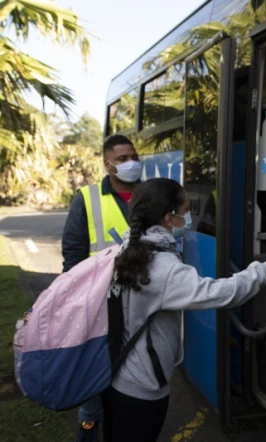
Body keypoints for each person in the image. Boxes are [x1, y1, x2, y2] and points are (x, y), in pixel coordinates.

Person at [103, 178, 266, 442]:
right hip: (142, 388)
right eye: (186, 210)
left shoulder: (129, 247)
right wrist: (265, 270)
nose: (190, 217)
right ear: (169, 218)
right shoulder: (160, 267)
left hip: (120, 376)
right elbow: (217, 293)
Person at [62, 134, 141, 442]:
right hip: (98, 306)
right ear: (108, 163)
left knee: (130, 384)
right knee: (93, 391)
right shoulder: (87, 197)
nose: (130, 163)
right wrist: (76, 304)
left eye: (134, 157)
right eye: (122, 159)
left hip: (139, 306)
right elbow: (73, 254)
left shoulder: (149, 195)